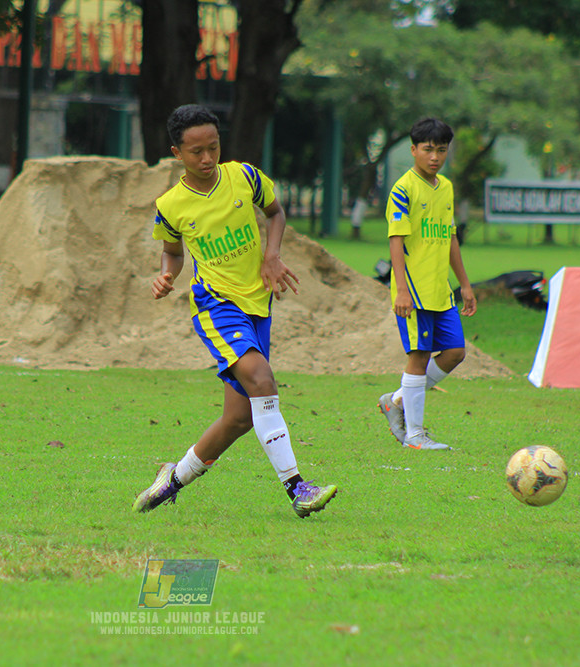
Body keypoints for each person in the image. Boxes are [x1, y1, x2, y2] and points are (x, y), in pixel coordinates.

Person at [132, 104, 337, 519]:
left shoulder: (244, 176)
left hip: (257, 303)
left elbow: (276, 213)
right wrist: (165, 276)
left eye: (213, 147)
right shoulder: (171, 205)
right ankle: (298, 488)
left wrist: (272, 256)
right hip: (216, 305)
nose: (207, 159)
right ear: (177, 152)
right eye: (196, 152)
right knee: (262, 379)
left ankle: (170, 480)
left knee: (239, 418)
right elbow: (171, 254)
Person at [377, 118, 476, 451]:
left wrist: (464, 283)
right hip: (415, 290)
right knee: (418, 356)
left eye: (442, 150)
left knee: (455, 352)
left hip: (440, 290)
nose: (435, 157)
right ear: (413, 150)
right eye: (428, 149)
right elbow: (396, 241)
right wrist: (402, 289)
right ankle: (416, 436)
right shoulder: (403, 190)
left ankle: (397, 401)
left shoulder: (445, 187)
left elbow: (449, 237)